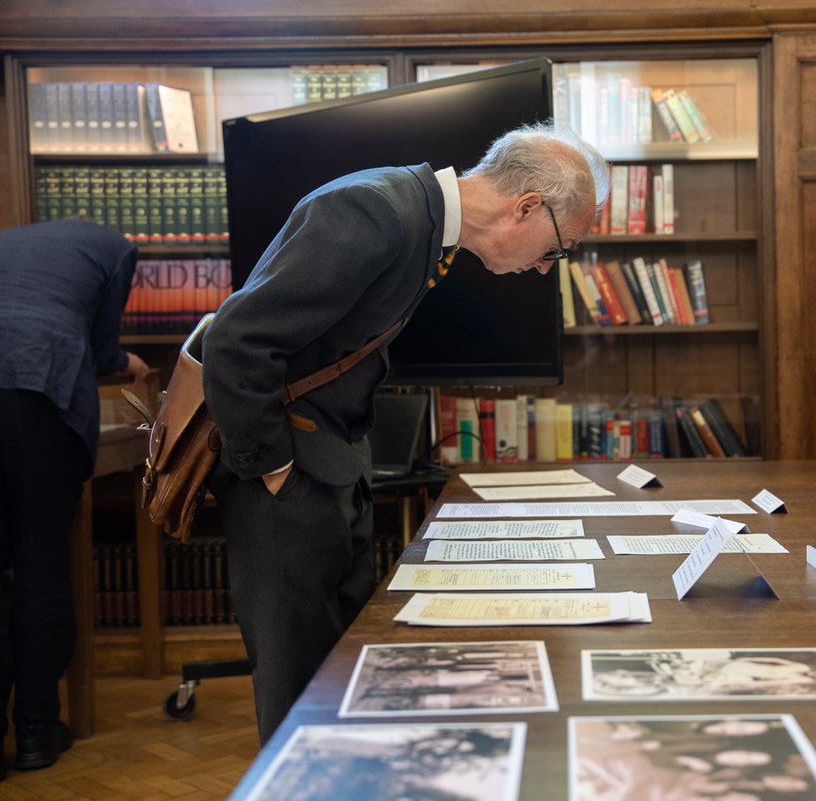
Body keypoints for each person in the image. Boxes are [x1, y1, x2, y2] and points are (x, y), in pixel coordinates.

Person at [202, 120, 610, 743]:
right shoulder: (373, 209)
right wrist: (275, 472)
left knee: (343, 674)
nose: (545, 268)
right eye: (556, 249)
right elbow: (237, 340)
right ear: (526, 207)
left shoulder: (423, 224)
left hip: (332, 465)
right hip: (288, 480)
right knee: (297, 695)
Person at [0, 219, 150, 782]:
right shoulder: (116, 249)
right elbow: (103, 351)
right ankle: (36, 732)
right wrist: (126, 364)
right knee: (40, 565)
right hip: (41, 388)